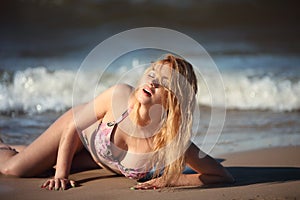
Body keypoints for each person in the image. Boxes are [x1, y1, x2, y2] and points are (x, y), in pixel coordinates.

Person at [0, 54, 234, 190]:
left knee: (37, 161)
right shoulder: (119, 96)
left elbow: (221, 176)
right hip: (77, 132)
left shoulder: (171, 141)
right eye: (153, 75)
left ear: (175, 100)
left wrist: (169, 179)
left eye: (164, 83)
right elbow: (74, 127)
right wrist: (61, 174)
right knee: (16, 169)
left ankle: (13, 148)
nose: (153, 83)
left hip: (100, 158)